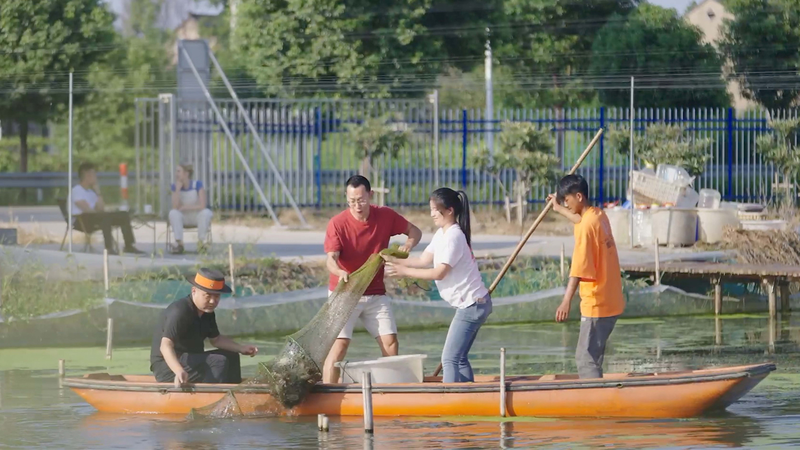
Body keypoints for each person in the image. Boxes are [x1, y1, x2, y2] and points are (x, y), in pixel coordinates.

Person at [322, 175, 422, 383]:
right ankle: (328, 392)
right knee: (339, 345)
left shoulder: (385, 216)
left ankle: (388, 390)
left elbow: (415, 231)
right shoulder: (337, 223)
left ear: (371, 195)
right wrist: (339, 272)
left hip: (375, 292)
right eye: (351, 201)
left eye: (361, 200)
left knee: (390, 342)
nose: (357, 206)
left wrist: (407, 246)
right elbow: (331, 259)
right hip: (344, 293)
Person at [383, 188, 491, 383]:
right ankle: (469, 396)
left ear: (449, 211)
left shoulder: (454, 236)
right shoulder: (442, 234)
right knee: (459, 358)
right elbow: (424, 260)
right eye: (431, 209)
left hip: (473, 305)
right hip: (475, 303)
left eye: (435, 209)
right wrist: (395, 261)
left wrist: (403, 272)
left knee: (449, 359)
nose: (431, 214)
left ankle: (449, 400)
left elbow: (438, 273)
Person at [546, 174, 625, 379]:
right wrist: (558, 208)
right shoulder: (598, 215)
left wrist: (565, 302)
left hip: (597, 303)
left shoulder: (588, 227)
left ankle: (595, 402)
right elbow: (579, 218)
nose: (566, 203)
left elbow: (578, 269)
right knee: (593, 356)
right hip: (611, 300)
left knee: (585, 357)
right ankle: (597, 393)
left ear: (579, 196)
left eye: (568, 200)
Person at [149, 268, 259, 386]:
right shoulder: (180, 311)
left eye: (217, 296)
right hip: (167, 367)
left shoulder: (208, 313)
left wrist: (241, 348)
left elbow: (216, 340)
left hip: (190, 361)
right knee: (218, 361)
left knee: (232, 356)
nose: (212, 301)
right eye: (207, 295)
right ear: (194, 291)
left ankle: (234, 393)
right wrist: (178, 370)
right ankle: (213, 398)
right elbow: (165, 346)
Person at [71, 162, 142, 254]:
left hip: (95, 218)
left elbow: (101, 208)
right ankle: (109, 248)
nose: (96, 177)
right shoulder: (77, 190)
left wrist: (97, 191)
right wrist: (102, 213)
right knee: (105, 217)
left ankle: (129, 245)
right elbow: (86, 209)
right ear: (87, 175)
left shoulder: (91, 192)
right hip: (81, 220)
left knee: (123, 214)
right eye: (93, 174)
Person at [168, 163, 213, 254]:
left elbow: (202, 205)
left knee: (206, 212)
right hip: (183, 217)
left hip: (196, 216)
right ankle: (179, 243)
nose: (176, 174)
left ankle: (201, 243)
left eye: (179, 171)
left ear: (186, 174)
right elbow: (175, 206)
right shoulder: (174, 187)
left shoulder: (197, 185)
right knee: (173, 213)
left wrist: (186, 207)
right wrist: (177, 190)